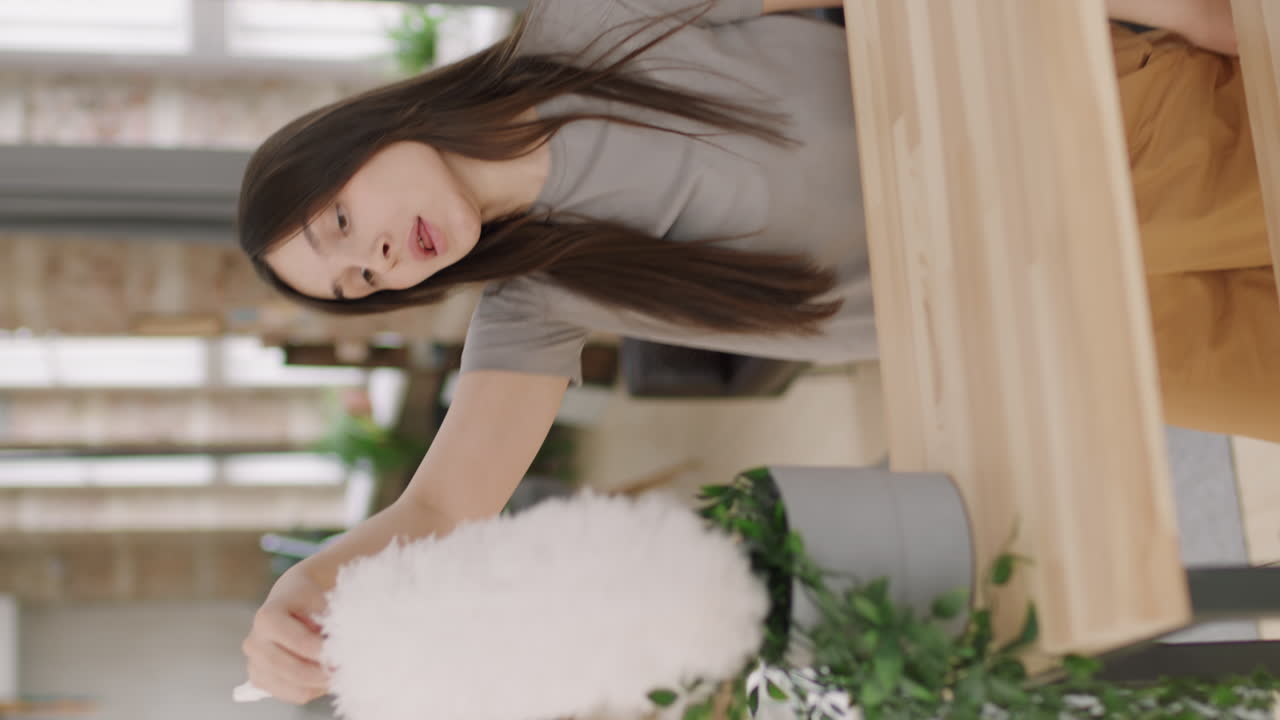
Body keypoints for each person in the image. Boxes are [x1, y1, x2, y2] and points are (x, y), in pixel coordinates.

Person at [236, 0, 1257, 704]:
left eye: (339, 220)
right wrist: (311, 586)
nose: (374, 258)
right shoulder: (537, 296)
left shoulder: (585, 28)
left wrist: (1181, 10)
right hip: (1052, 325)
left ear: (364, 133)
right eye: (359, 283)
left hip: (1096, 144)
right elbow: (443, 506)